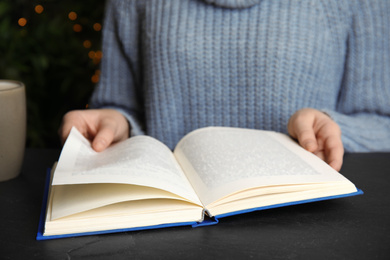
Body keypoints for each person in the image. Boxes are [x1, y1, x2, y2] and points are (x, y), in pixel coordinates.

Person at [59, 0, 390, 172]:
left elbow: (381, 123)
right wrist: (118, 123)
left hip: (306, 222)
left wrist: (331, 128)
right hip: (168, 226)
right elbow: (121, 108)